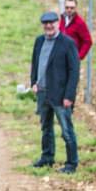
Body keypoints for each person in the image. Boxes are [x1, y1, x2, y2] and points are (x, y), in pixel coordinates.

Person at [31, 11, 80, 174]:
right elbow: (35, 63)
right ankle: (47, 157)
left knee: (66, 130)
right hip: (43, 93)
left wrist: (69, 96)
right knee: (46, 128)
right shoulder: (39, 41)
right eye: (46, 23)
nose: (48, 26)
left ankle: (72, 163)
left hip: (60, 95)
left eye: (51, 23)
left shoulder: (67, 43)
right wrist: (34, 82)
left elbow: (74, 71)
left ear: (57, 23)